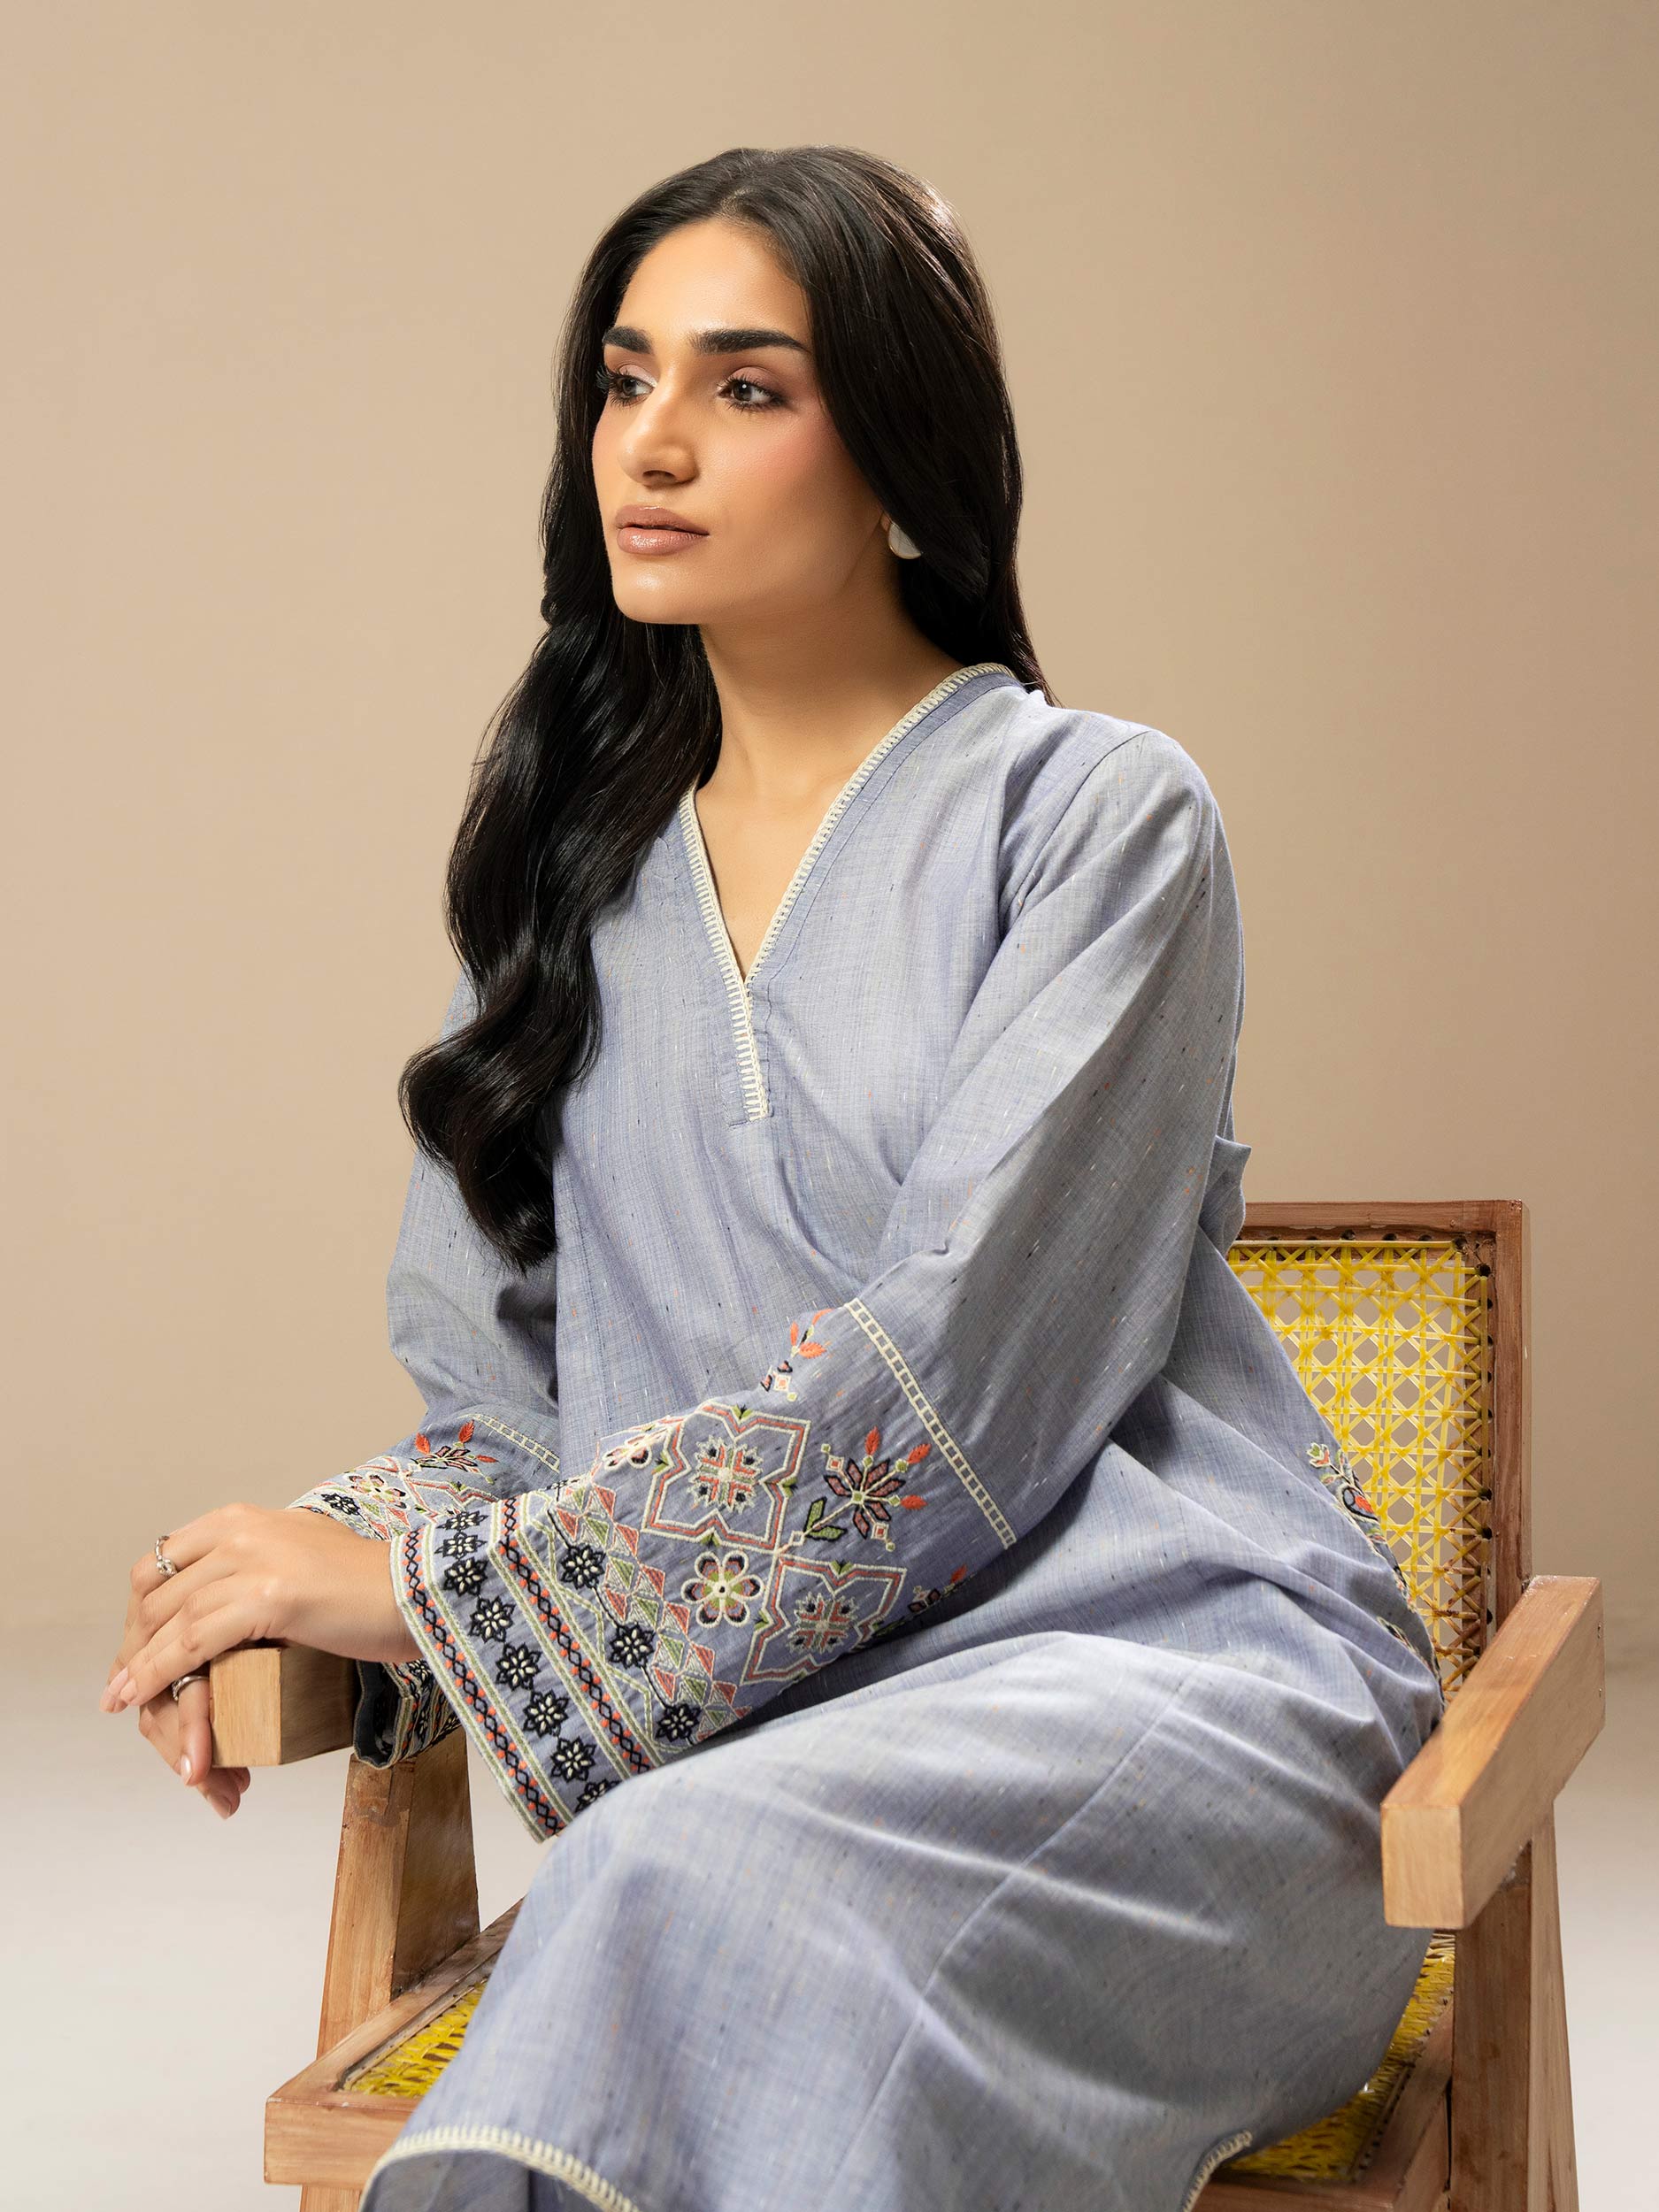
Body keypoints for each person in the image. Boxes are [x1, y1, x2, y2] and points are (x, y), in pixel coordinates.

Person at [100, 144, 1447, 2212]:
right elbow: (510, 1413)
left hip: (1174, 1710)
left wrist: (415, 1597)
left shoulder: (1095, 821)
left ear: (898, 444)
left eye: (746, 386)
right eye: (623, 377)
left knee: (674, 1875)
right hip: (778, 1751)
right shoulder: (570, 892)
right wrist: (291, 1564)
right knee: (685, 1869)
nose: (651, 442)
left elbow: (961, 1380)